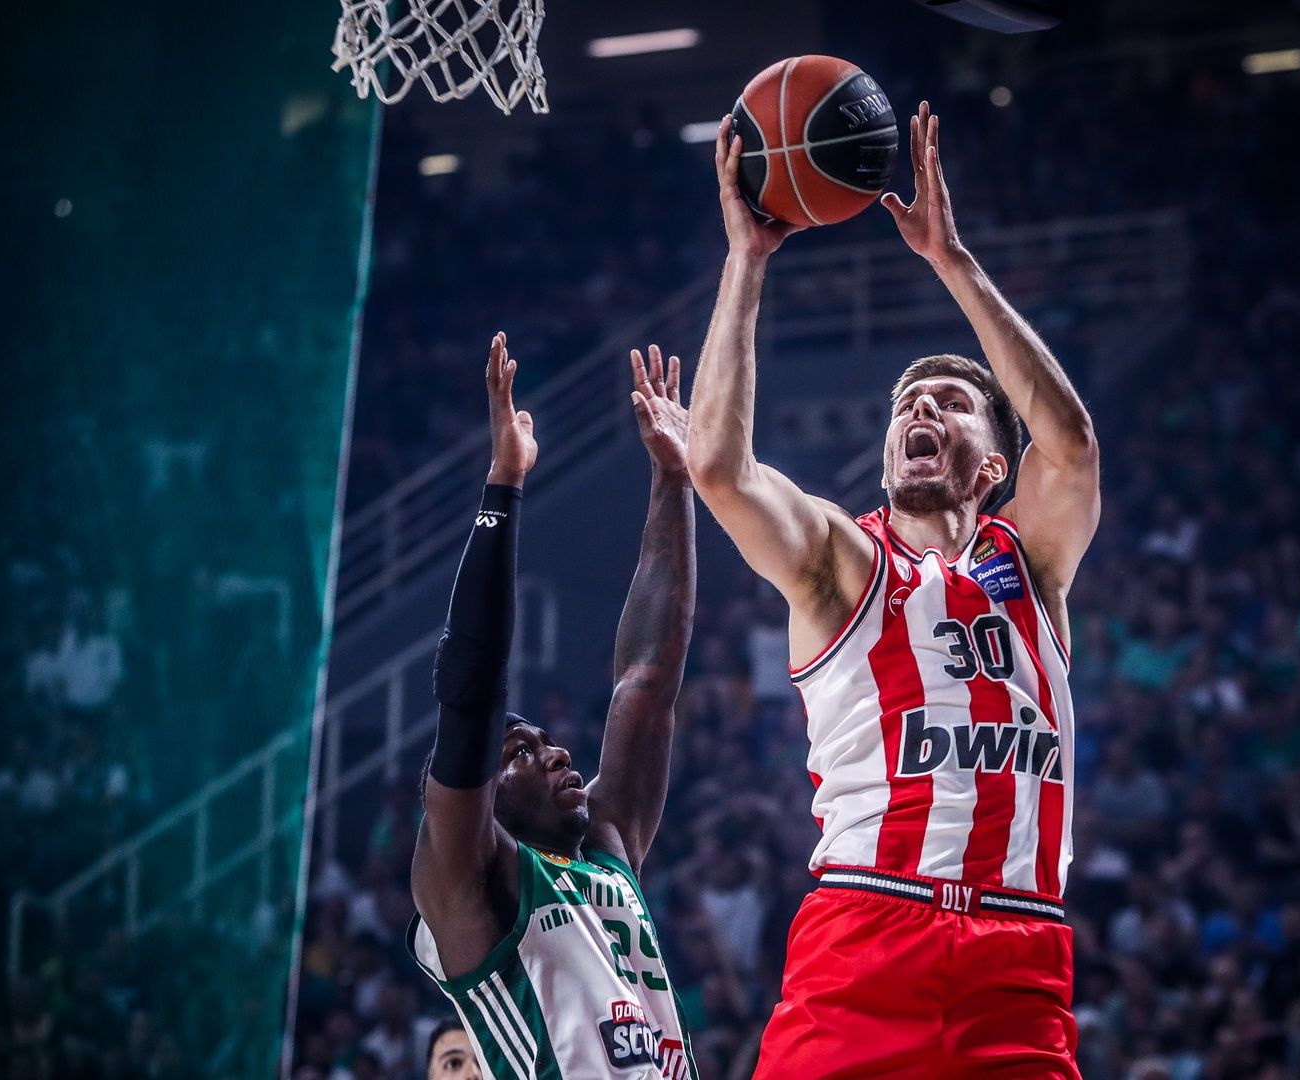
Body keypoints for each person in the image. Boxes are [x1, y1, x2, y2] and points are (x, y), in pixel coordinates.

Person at [688, 102, 1101, 1076]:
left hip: (1018, 952)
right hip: (870, 931)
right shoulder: (844, 560)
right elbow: (719, 468)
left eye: (951, 403)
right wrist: (746, 262)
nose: (921, 407)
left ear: (992, 465)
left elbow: (1072, 444)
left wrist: (951, 262)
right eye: (907, 403)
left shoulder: (1033, 564)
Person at [408, 335, 698, 1078]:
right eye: (522, 753)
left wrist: (674, 479)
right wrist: (503, 486)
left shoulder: (606, 846)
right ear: (480, 798)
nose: (558, 752)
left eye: (543, 742)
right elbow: (471, 688)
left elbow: (646, 680)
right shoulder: (470, 883)